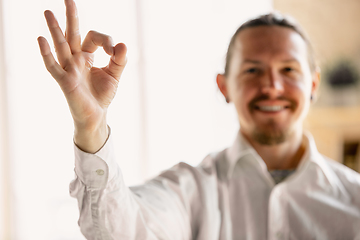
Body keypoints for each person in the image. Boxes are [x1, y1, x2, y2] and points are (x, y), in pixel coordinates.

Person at [38, 0, 360, 239]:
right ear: (224, 87)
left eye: (289, 70)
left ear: (314, 84)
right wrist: (92, 126)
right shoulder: (189, 191)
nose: (272, 86)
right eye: (252, 70)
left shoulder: (354, 199)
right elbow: (120, 230)